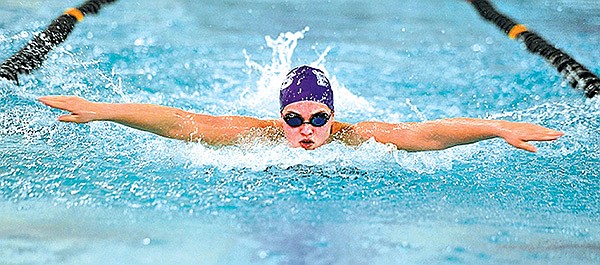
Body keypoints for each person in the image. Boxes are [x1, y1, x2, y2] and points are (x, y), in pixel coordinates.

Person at [39, 65, 563, 152]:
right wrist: (104, 109)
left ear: (333, 118)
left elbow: (426, 134)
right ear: (279, 118)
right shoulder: (256, 136)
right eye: (295, 119)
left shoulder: (359, 138)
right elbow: (179, 122)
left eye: (318, 119)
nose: (307, 130)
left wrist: (495, 129)